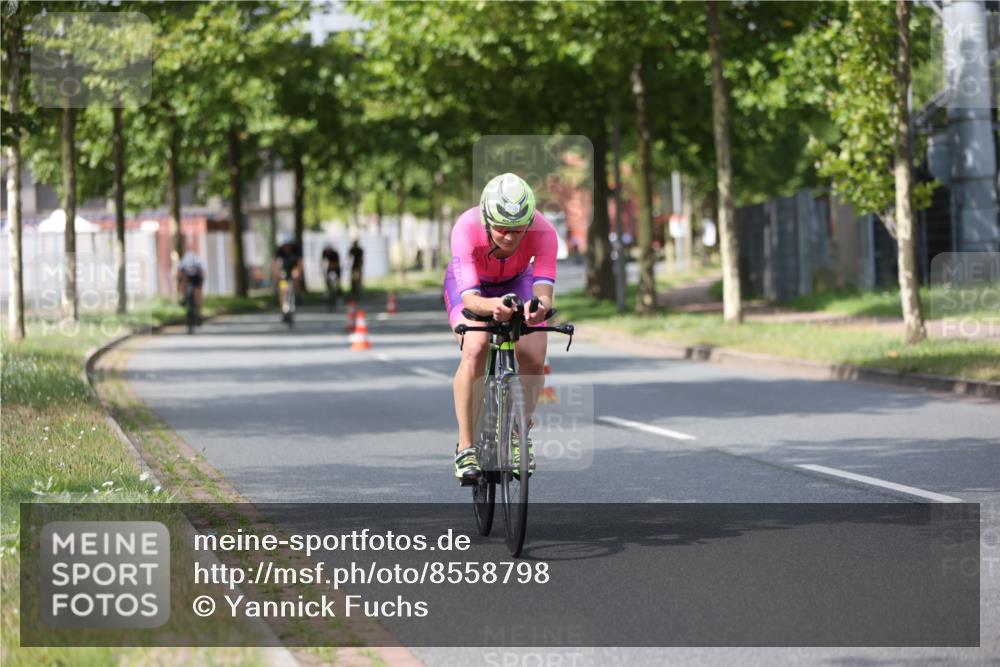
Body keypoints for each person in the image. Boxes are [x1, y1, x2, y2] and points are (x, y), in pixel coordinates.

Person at [444, 173, 557, 482]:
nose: (510, 237)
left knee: (534, 353)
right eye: (502, 229)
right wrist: (492, 308)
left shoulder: (545, 231)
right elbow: (470, 298)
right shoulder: (466, 229)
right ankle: (466, 446)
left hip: (518, 281)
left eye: (519, 231)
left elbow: (544, 293)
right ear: (486, 219)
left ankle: (521, 435)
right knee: (476, 347)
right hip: (471, 286)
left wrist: (537, 310)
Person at [272, 233, 303, 323]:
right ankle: (284, 310)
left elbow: (300, 263)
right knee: (283, 290)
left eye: (288, 245)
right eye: (285, 245)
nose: (287, 247)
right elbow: (275, 264)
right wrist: (276, 274)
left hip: (293, 269)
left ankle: (297, 295)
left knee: (295, 281)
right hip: (283, 271)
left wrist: (298, 272)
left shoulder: (296, 249)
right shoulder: (279, 251)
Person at [177, 245, 205, 323]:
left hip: (196, 278)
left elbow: (202, 274)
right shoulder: (184, 260)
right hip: (187, 277)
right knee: (183, 282)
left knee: (197, 297)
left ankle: (199, 314)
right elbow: (180, 274)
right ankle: (184, 298)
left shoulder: (198, 261)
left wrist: (200, 286)